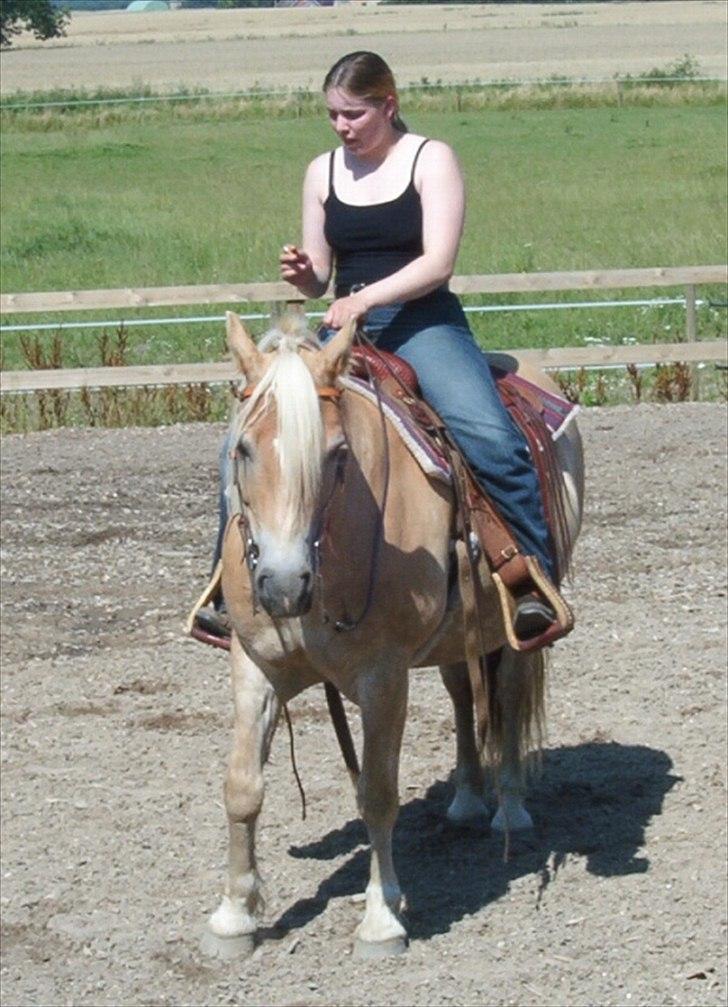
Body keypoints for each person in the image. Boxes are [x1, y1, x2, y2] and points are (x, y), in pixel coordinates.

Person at [196, 50, 559, 643]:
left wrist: (363, 301)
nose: (342, 126)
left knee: (489, 434)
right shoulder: (323, 171)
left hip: (423, 323)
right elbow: (320, 278)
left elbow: (437, 264)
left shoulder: (430, 160)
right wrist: (305, 274)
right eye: (333, 115)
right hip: (342, 330)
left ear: (387, 105)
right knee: (247, 441)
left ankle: (528, 579)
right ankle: (223, 582)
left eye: (354, 114)